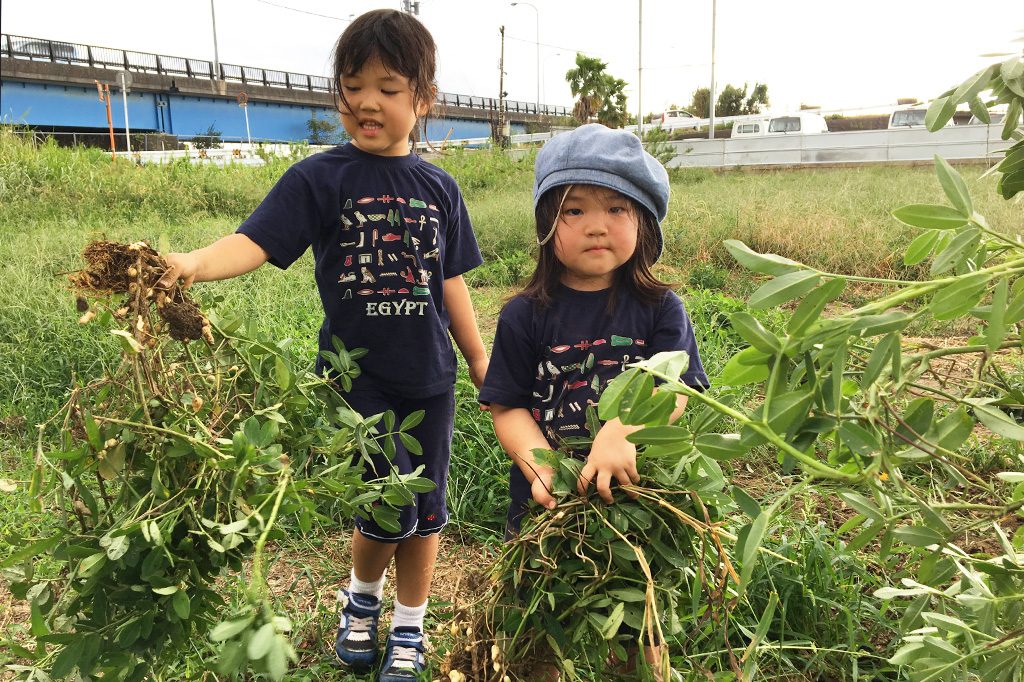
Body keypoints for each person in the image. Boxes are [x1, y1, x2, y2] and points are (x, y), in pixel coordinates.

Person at [156, 10, 487, 681]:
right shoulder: (320, 179)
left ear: (423, 101)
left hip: (430, 377)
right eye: (352, 85)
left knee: (426, 510)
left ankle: (408, 627)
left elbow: (449, 280)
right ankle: (361, 601)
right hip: (354, 377)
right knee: (384, 504)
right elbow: (254, 241)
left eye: (389, 88)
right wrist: (191, 262)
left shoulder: (439, 188)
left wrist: (481, 359)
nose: (367, 101)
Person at [478, 123, 709, 678]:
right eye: (574, 210)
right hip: (546, 509)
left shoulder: (660, 309)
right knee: (532, 629)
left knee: (635, 634)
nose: (596, 225)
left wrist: (622, 430)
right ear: (545, 226)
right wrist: (540, 469)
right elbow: (507, 406)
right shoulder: (523, 314)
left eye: (616, 208)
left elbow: (671, 387)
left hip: (632, 502)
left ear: (644, 223)